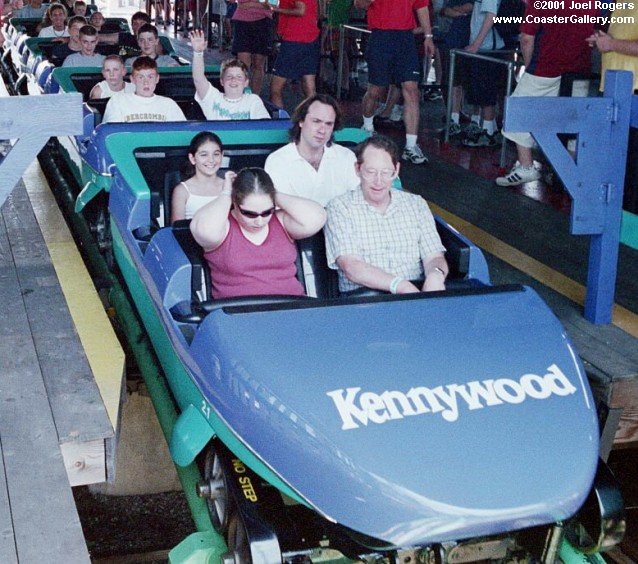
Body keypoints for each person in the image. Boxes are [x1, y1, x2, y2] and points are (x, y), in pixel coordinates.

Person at [325, 135, 448, 294]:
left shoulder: (416, 204)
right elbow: (351, 266)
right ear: (357, 169)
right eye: (370, 172)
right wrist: (401, 286)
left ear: (396, 170)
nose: (378, 181)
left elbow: (433, 257)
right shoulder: (340, 207)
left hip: (415, 295)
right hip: (364, 302)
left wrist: (436, 275)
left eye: (386, 172)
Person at [495, 5, 597, 186]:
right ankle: (568, 176)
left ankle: (527, 166)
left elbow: (527, 38)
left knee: (516, 111)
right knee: (574, 122)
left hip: (545, 67)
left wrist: (529, 68)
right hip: (580, 69)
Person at [190, 167, 327, 299]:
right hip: (238, 314)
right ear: (235, 203)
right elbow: (204, 230)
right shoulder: (221, 227)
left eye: (267, 212)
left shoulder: (281, 221)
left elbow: (317, 217)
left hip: (291, 308)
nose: (259, 221)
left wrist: (271, 193)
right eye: (250, 214)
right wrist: (226, 193)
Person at [356, 0, 434, 164]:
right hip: (380, 36)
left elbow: (421, 6)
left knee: (411, 89)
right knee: (376, 90)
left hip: (405, 38)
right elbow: (358, 4)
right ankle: (368, 127)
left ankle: (411, 146)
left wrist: (428, 36)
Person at [264, 94, 360, 206]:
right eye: (316, 121)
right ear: (301, 121)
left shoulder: (346, 157)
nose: (322, 130)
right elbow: (283, 210)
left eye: (328, 124)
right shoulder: (277, 161)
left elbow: (358, 201)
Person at [190, 30, 270, 120]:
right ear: (222, 81)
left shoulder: (253, 101)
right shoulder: (213, 98)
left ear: (246, 82)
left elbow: (264, 125)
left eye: (239, 77)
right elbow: (198, 79)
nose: (234, 80)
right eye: (229, 76)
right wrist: (198, 53)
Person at [458, 0, 504, 147]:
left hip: (487, 47)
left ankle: (488, 132)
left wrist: (476, 44)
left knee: (486, 91)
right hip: (485, 46)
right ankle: (488, 128)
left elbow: (491, 15)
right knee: (482, 90)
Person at [102, 56, 187, 123]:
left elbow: (181, 135)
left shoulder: (169, 105)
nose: (146, 82)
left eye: (150, 77)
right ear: (132, 79)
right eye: (140, 77)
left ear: (157, 79)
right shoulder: (117, 102)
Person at [269, 0, 320, 109]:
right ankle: (314, 120)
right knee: (309, 86)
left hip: (294, 39)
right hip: (311, 37)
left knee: (275, 89)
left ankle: (280, 123)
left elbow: (301, 10)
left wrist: (275, 9)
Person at [171, 131, 226, 222]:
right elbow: (176, 231)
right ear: (192, 158)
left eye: (216, 154)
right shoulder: (182, 191)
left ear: (222, 155)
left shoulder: (229, 186)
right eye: (204, 155)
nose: (211, 160)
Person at [230, 0, 274, 96]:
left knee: (258, 64)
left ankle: (255, 98)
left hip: (263, 22)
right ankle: (241, 96)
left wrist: (250, 4)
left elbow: (273, 4)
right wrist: (259, 5)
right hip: (242, 22)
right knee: (243, 65)